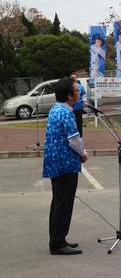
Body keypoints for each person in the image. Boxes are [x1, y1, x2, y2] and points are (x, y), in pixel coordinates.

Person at [43, 77, 89, 255]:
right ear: (69, 96)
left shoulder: (56, 109)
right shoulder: (67, 113)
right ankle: (58, 244)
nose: (79, 94)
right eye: (77, 91)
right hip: (65, 163)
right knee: (64, 204)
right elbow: (74, 139)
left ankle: (57, 239)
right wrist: (83, 153)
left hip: (55, 163)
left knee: (58, 202)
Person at [70, 72, 86, 137]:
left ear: (77, 79)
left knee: (79, 124)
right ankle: (71, 137)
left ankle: (80, 137)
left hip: (78, 108)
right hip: (70, 109)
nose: (74, 79)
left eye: (75, 77)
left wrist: (85, 101)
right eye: (72, 78)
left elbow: (83, 95)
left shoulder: (80, 86)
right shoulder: (68, 86)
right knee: (71, 124)